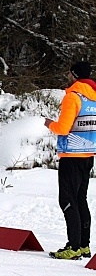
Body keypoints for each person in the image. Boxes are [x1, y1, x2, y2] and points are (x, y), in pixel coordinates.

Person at [45, 61, 96, 260]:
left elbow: (63, 129)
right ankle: (84, 245)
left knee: (67, 200)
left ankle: (73, 247)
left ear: (74, 75)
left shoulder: (73, 97)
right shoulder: (93, 98)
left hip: (71, 156)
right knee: (81, 199)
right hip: (88, 156)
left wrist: (49, 123)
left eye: (69, 73)